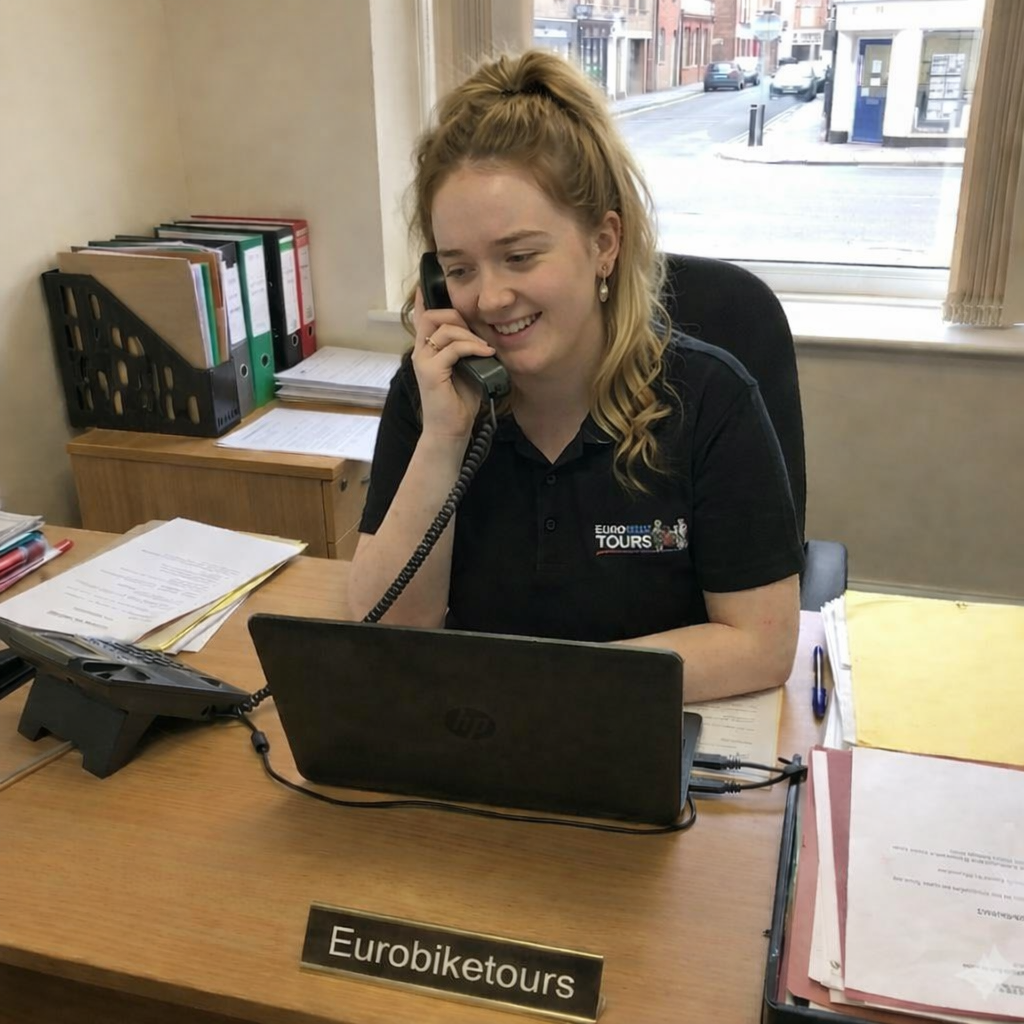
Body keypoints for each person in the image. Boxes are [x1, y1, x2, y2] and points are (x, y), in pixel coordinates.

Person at [348, 49, 803, 703]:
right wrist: (445, 437)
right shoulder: (433, 394)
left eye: (521, 256)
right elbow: (382, 630)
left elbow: (761, 645)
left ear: (604, 243)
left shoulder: (710, 401)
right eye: (460, 267)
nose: (492, 297)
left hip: (649, 745)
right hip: (479, 744)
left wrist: (548, 689)